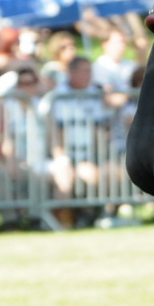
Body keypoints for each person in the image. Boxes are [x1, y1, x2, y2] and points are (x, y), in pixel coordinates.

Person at [44, 55, 109, 227]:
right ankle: (58, 223)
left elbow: (98, 128)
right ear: (71, 72)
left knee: (97, 175)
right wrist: (62, 157)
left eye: (90, 71)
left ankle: (89, 217)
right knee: (65, 178)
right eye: (85, 71)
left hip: (87, 154)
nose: (89, 75)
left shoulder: (94, 94)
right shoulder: (57, 95)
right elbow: (54, 129)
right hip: (63, 154)